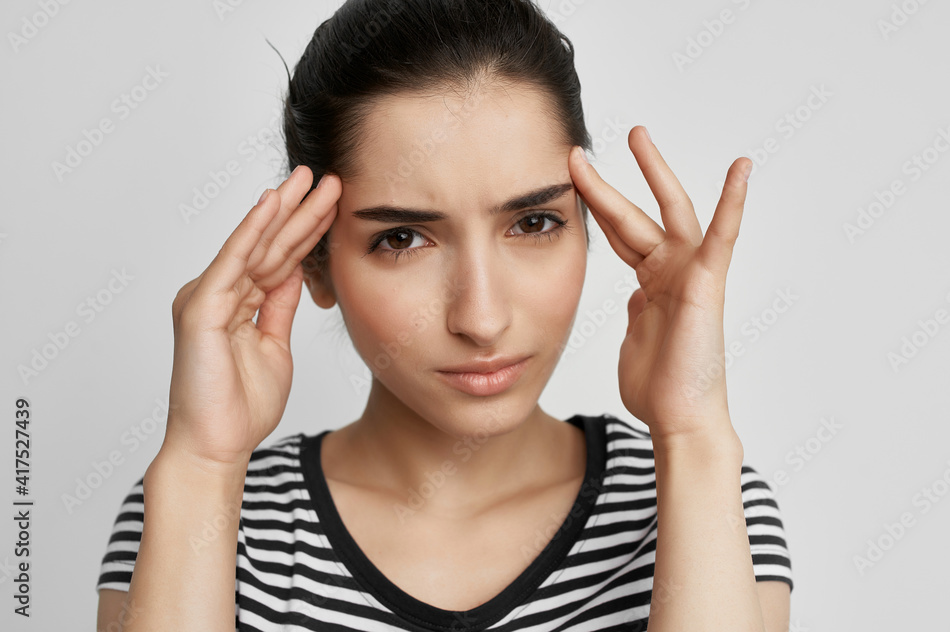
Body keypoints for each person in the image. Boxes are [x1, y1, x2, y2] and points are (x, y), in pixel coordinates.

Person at [95, 0, 793, 630]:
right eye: (402, 238)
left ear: (589, 223)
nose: (481, 319)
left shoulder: (709, 499)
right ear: (313, 261)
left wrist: (695, 436)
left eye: (533, 222)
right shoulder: (194, 511)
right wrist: (201, 463)